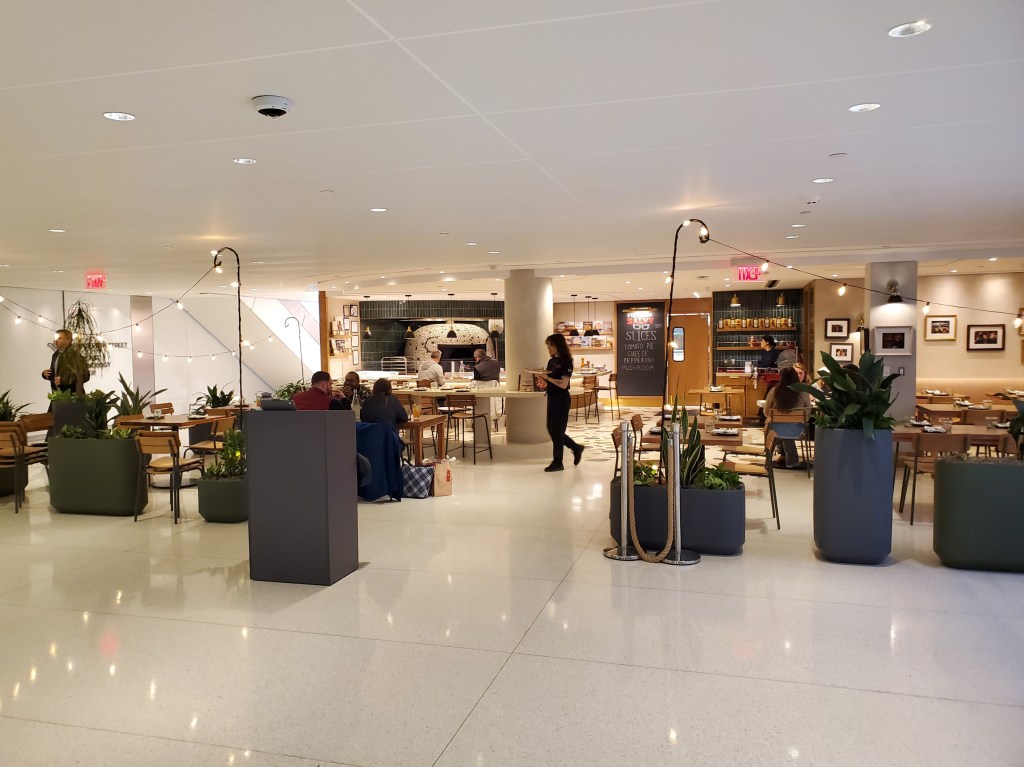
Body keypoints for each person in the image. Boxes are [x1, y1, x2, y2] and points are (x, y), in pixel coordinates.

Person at [534, 333, 583, 472]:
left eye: (551, 345)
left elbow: (563, 384)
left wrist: (547, 378)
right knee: (552, 430)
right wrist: (540, 378)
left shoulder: (566, 361)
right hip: (552, 398)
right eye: (548, 345)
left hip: (561, 399)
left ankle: (558, 461)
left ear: (558, 345)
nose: (548, 348)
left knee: (557, 431)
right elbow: (548, 382)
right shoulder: (551, 361)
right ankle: (576, 447)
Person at [763, 366, 811, 469]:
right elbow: (808, 412)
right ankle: (791, 461)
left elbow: (766, 412)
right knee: (787, 433)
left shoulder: (774, 391)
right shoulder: (803, 392)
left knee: (778, 428)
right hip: (797, 429)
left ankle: (781, 456)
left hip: (775, 430)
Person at [42, 329, 88, 394]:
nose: (56, 340)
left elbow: (85, 376)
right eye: (56, 338)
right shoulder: (55, 355)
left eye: (59, 338)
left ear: (68, 340)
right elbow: (56, 375)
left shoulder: (75, 355)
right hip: (57, 395)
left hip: (73, 396)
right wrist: (46, 374)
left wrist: (64, 380)